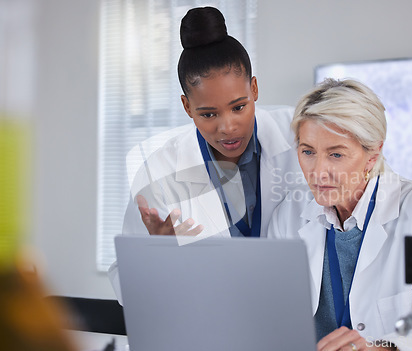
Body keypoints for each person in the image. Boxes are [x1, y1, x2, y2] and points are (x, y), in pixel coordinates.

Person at [267, 78, 412, 351]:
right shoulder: (288, 215)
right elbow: (272, 320)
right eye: (308, 151)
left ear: (373, 154)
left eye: (336, 155)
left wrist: (383, 349)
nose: (318, 171)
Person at [109, 6, 304, 302]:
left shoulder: (299, 136)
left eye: (239, 107)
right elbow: (126, 287)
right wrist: (155, 258)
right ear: (187, 107)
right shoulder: (159, 171)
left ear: (254, 89)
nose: (228, 127)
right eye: (208, 114)